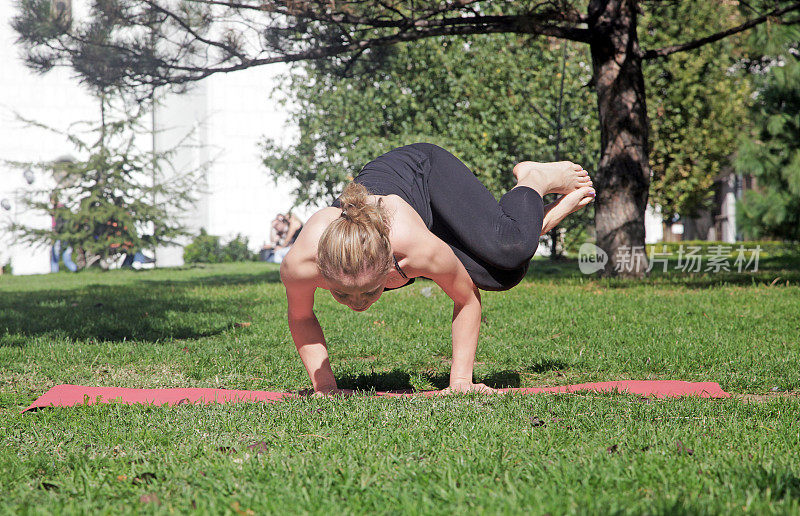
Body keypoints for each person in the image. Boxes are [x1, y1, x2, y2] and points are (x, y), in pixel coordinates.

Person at [280, 143, 595, 396]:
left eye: (372, 289)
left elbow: (466, 299)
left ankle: (534, 178)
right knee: (499, 273)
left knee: (508, 255)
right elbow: (301, 316)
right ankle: (536, 222)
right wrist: (325, 388)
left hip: (422, 171)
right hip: (408, 216)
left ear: (391, 263)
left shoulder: (415, 247)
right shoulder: (301, 264)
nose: (358, 303)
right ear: (325, 271)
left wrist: (460, 381)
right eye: (342, 292)